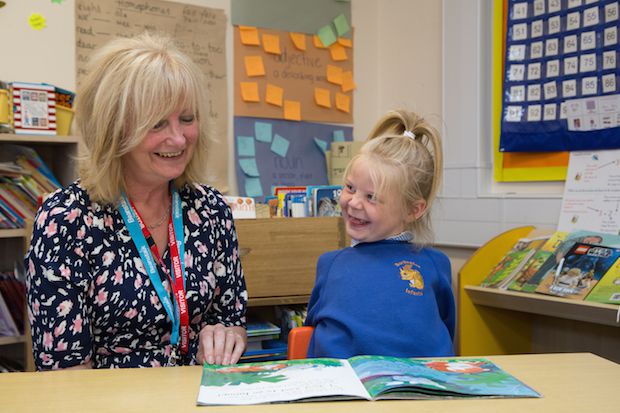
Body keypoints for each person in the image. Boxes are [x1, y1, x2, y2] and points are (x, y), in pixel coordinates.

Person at [25, 32, 247, 370]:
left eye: (186, 119)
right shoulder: (65, 220)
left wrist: (227, 336)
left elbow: (231, 318)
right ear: (114, 130)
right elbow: (65, 373)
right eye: (157, 123)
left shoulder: (210, 210)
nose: (178, 137)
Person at [305, 109, 455, 359]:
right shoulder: (330, 263)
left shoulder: (435, 264)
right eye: (350, 188)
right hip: (347, 387)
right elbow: (315, 327)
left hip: (420, 389)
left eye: (371, 197)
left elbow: (443, 332)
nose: (353, 203)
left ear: (412, 210)